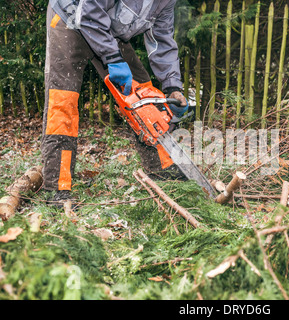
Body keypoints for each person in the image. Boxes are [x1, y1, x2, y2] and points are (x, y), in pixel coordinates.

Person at [42, 0, 189, 207]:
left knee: (142, 94)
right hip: (69, 20)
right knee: (62, 101)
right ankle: (58, 187)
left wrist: (172, 86)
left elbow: (162, 40)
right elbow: (90, 9)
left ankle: (161, 168)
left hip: (106, 29)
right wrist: (111, 57)